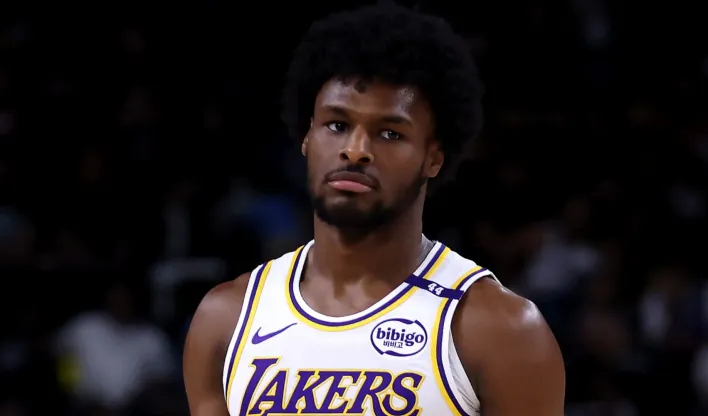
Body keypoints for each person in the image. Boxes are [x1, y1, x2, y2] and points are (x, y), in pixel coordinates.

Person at [184, 4, 565, 416]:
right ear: (306, 137)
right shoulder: (226, 318)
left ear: (433, 158)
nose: (356, 150)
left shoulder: (499, 329)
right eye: (337, 125)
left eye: (389, 133)